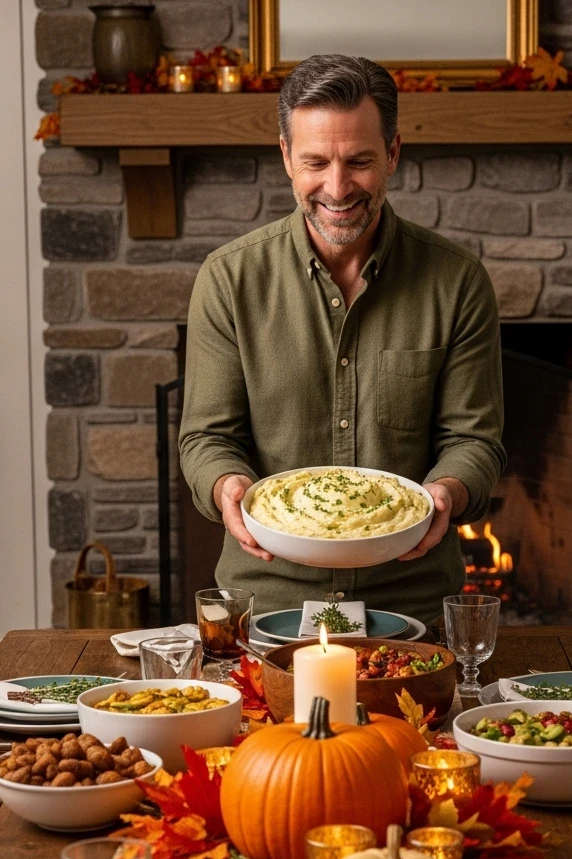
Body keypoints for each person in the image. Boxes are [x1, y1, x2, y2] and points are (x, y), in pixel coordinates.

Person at [179, 54, 507, 624]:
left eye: (359, 162)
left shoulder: (456, 280)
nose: (336, 188)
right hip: (263, 606)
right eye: (314, 163)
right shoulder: (228, 278)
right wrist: (225, 485)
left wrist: (447, 492)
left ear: (393, 155)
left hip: (413, 608)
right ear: (285, 157)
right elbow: (206, 438)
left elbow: (475, 442)